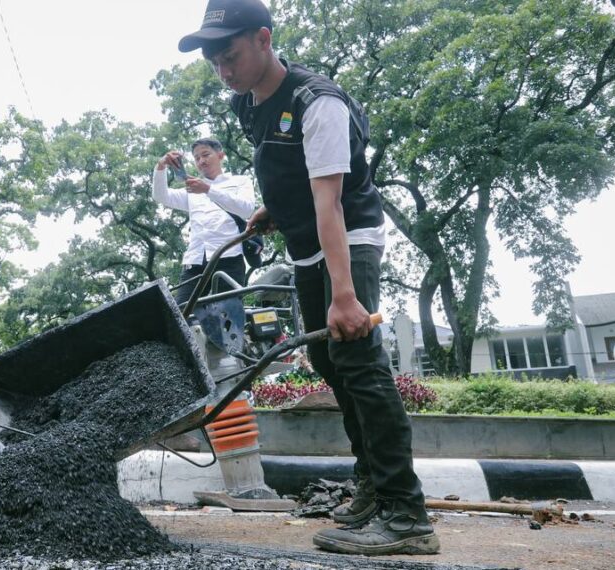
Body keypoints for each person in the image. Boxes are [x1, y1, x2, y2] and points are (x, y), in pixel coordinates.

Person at [179, 0, 440, 556]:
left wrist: (344, 296)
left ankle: (405, 513)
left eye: (231, 56)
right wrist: (273, 208)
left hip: (346, 239)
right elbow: (289, 171)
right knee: (328, 362)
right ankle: (372, 487)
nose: (224, 71)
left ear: (265, 39)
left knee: (359, 358)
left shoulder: (316, 101)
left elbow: (330, 201)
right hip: (304, 245)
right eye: (215, 63)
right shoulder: (248, 103)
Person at [153, 138, 256, 306]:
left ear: (221, 155)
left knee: (227, 315)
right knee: (182, 314)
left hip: (228, 256)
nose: (201, 161)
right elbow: (161, 196)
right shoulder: (191, 189)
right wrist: (161, 166)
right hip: (195, 259)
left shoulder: (240, 181)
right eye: (196, 158)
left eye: (206, 154)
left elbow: (246, 209)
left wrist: (208, 190)